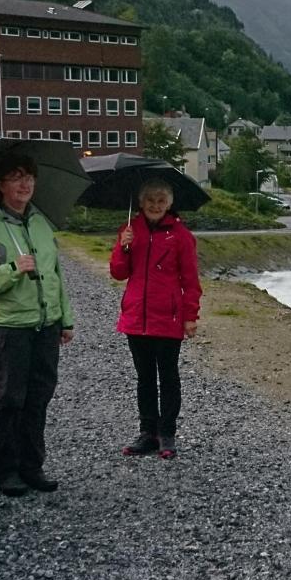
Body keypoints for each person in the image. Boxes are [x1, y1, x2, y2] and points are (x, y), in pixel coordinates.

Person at [0, 153, 74, 496]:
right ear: (0, 185)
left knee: (38, 398)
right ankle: (6, 470)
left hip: (44, 326)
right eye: (16, 177)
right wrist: (11, 270)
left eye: (30, 177)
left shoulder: (40, 224)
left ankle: (31, 465)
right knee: (8, 400)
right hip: (6, 328)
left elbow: (55, 275)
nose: (25, 184)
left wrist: (65, 319)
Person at [109, 176, 201, 458]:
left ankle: (167, 433)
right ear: (141, 202)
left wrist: (190, 316)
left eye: (161, 200)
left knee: (168, 376)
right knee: (145, 377)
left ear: (169, 204)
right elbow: (118, 273)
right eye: (150, 200)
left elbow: (191, 280)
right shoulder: (130, 230)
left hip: (168, 317)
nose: (155, 205)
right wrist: (123, 247)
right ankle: (148, 432)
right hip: (137, 316)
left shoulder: (181, 236)